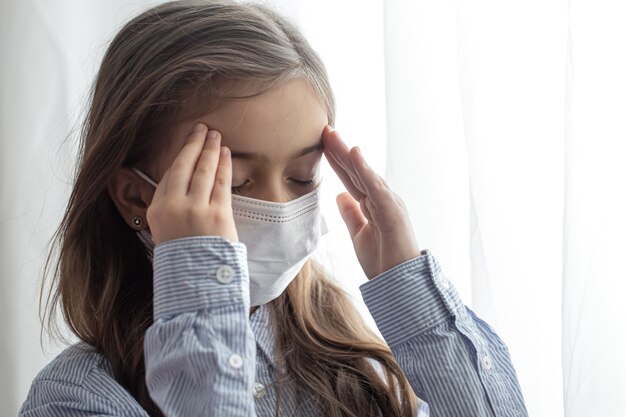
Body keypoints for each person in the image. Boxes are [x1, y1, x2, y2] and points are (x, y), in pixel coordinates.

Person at [19, 1, 528, 416]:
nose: (282, 206)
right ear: (137, 196)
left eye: (303, 177)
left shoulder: (360, 366)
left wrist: (409, 288)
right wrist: (199, 283)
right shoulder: (77, 398)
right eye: (234, 182)